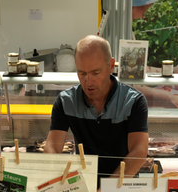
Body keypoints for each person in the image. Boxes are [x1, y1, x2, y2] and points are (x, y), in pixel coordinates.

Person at [45, 35, 148, 183]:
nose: (88, 82)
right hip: (84, 184)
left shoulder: (133, 101)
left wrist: (107, 189)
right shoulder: (65, 101)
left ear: (111, 66)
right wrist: (60, 180)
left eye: (95, 73)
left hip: (123, 184)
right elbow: (52, 147)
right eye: (82, 73)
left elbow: (138, 153)